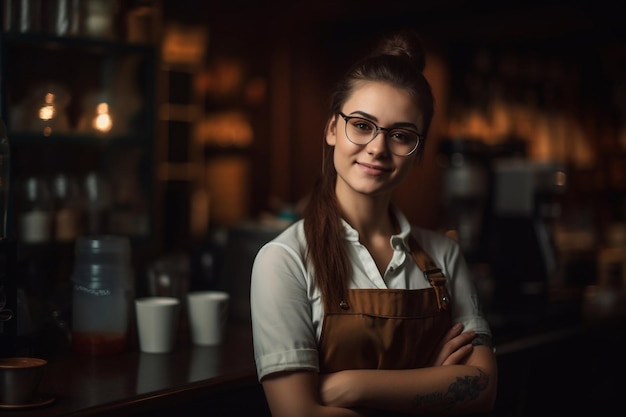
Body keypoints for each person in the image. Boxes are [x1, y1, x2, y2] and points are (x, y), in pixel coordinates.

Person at [250, 29, 497, 417]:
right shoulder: (283, 260)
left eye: (401, 135)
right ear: (333, 129)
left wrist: (351, 386)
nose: (378, 148)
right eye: (362, 125)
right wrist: (431, 385)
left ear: (417, 153)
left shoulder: (444, 256)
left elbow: (482, 388)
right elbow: (298, 414)